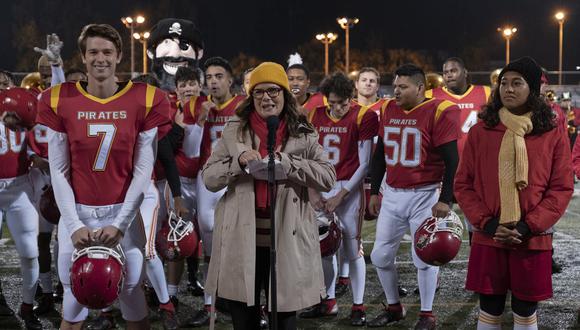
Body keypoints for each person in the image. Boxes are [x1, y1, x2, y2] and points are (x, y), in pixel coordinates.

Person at [36, 23, 171, 330]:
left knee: (133, 295)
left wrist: (120, 224)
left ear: (119, 56)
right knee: (74, 300)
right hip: (79, 212)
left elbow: (142, 169)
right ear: (83, 57)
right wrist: (73, 225)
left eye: (107, 52)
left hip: (123, 213)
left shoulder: (144, 98)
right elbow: (58, 169)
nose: (101, 58)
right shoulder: (61, 100)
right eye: (93, 52)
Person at [202, 61, 336, 330]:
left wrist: (289, 164)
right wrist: (237, 163)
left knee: (284, 322)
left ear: (285, 94)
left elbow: (327, 177)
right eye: (259, 92)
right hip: (241, 238)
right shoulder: (234, 128)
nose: (266, 97)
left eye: (273, 91)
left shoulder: (303, 130)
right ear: (251, 97)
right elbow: (209, 178)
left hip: (286, 237)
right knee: (244, 321)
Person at [455, 56, 574, 330]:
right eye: (503, 83)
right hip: (489, 234)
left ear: (532, 89)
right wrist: (488, 223)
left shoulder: (552, 132)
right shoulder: (480, 131)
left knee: (524, 308)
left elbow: (561, 186)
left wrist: (528, 225)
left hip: (532, 237)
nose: (507, 89)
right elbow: (463, 184)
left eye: (516, 83)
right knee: (489, 306)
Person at [367, 64, 460, 329]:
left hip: (425, 194)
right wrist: (374, 191)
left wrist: (446, 198)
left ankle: (427, 314)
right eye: (395, 86)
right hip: (393, 194)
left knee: (426, 257)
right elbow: (380, 154)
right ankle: (395, 307)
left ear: (420, 88)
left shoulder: (439, 110)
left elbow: (452, 160)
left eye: (403, 86)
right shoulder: (387, 108)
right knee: (380, 256)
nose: (396, 91)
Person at [302, 72, 377, 326]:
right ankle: (328, 300)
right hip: (322, 184)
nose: (337, 108)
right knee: (324, 247)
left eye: (342, 102)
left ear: (350, 97)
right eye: (332, 102)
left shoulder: (364, 115)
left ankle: (358, 305)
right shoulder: (314, 115)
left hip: (349, 186)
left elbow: (365, 163)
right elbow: (307, 157)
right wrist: (313, 189)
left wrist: (341, 195)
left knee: (352, 248)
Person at [182, 56, 246, 327]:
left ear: (230, 80)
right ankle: (211, 305)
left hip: (237, 178)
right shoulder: (196, 105)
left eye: (219, 76)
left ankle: (247, 303)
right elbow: (190, 150)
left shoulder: (243, 106)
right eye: (209, 77)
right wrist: (199, 121)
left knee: (242, 241)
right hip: (207, 176)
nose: (213, 81)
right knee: (208, 236)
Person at [0, 91, 42, 329]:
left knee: (29, 251)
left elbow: (37, 149)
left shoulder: (27, 114)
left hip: (20, 187)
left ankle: (27, 307)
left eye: (5, 85)